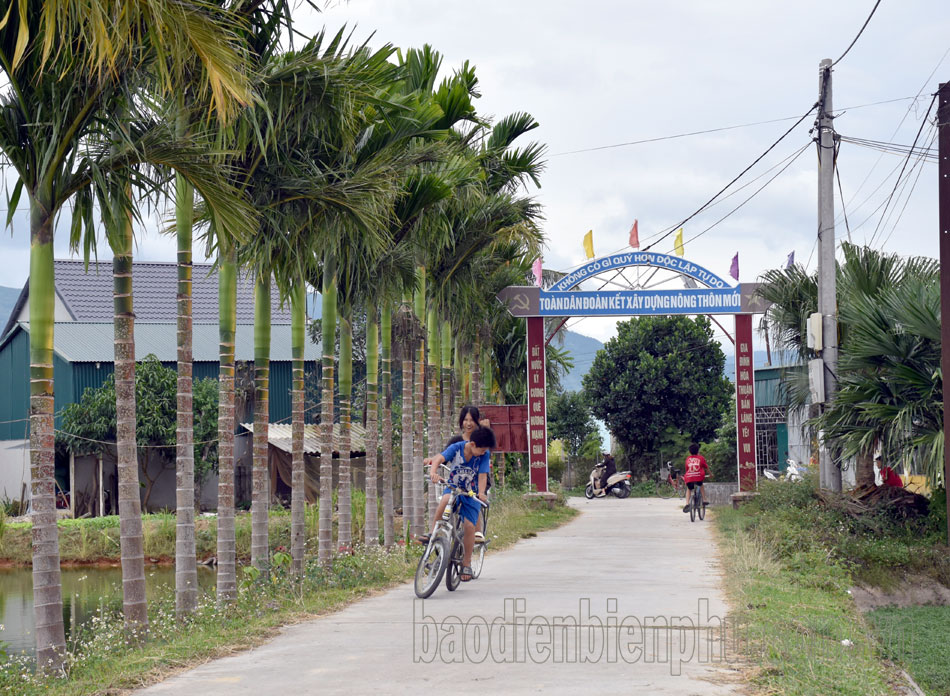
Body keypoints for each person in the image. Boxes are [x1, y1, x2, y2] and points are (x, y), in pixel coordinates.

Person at [420, 426, 496, 582]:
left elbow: (482, 476)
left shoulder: (484, 455)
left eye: (485, 451)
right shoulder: (456, 448)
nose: (483, 453)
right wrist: (433, 473)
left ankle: (466, 563)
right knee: (445, 500)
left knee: (469, 526)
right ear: (473, 444)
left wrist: (481, 493)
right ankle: (432, 533)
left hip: (471, 493)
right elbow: (439, 459)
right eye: (482, 450)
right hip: (454, 487)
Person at [445, 406, 490, 541]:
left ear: (477, 421)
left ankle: (477, 531)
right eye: (465, 420)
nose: (468, 423)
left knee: (473, 498)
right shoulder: (456, 441)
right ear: (461, 421)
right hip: (459, 480)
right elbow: (444, 457)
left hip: (477, 480)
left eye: (472, 420)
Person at [682, 442, 710, 512]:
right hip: (699, 477)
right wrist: (711, 474)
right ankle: (704, 499)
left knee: (689, 489)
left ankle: (687, 503)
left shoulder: (688, 459)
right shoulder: (701, 458)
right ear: (698, 451)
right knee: (701, 485)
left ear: (690, 452)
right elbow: (706, 467)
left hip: (689, 477)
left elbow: (687, 469)